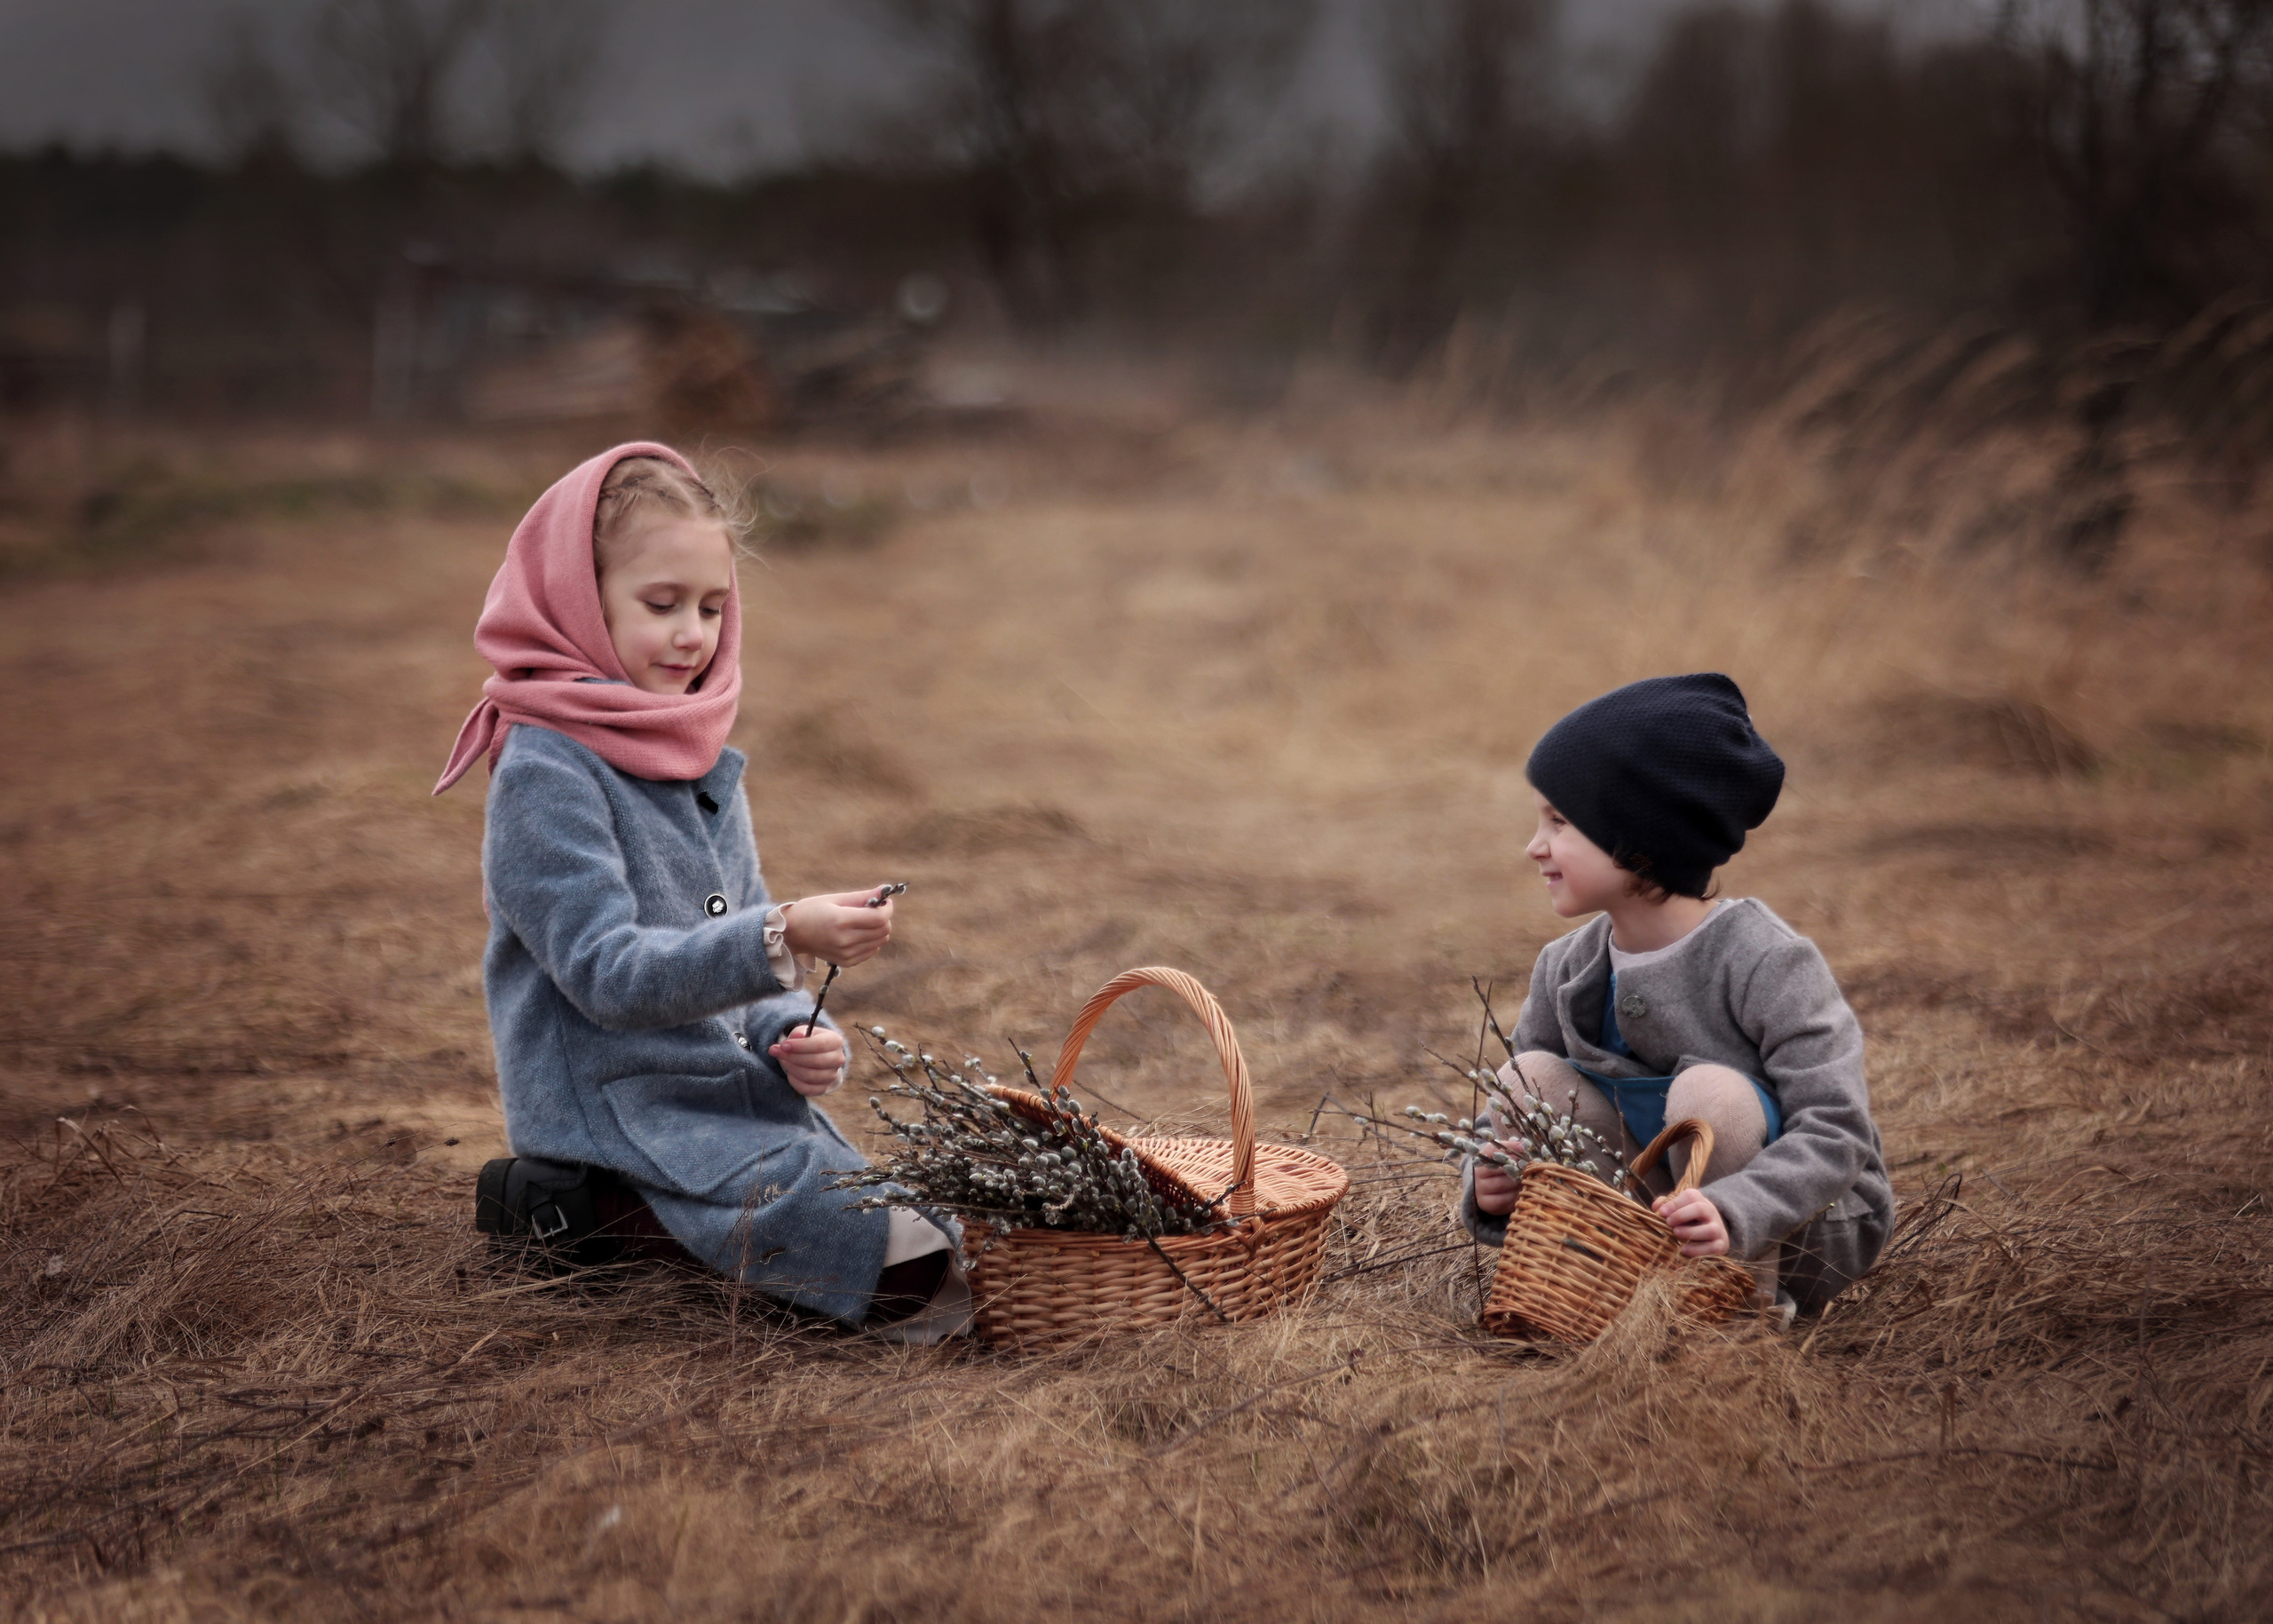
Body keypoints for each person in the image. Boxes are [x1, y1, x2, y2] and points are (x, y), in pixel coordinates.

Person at [435, 442, 969, 1341]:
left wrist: (796, 1030)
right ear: (578, 599)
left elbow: (729, 930)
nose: (694, 634)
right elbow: (610, 972)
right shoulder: (545, 772)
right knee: (883, 1250)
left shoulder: (695, 759)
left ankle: (707, 1240)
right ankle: (590, 1218)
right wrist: (782, 933)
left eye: (713, 607)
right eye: (661, 604)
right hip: (618, 1112)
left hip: (720, 1097)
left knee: (915, 1217)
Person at [1456, 673, 1891, 1318]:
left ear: (1641, 835)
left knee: (1712, 1096)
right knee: (1528, 1079)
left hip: (1790, 1222)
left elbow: (1837, 1129)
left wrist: (1737, 1207)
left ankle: (1737, 1316)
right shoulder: (1566, 967)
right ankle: (1611, 1292)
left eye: (1560, 820)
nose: (1535, 846)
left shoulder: (1768, 959)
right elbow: (1510, 1122)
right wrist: (1488, 1179)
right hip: (1650, 1200)